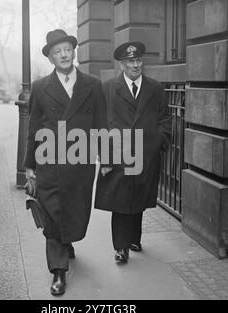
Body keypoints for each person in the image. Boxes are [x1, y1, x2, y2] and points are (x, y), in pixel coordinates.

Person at [24, 29, 107, 296]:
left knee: (75, 210)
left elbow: (101, 124)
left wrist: (105, 157)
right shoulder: (40, 87)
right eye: (57, 52)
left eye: (67, 50)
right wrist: (29, 168)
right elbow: (34, 129)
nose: (63, 55)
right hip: (50, 162)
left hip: (81, 163)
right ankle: (58, 272)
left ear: (74, 52)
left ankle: (67, 239)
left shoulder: (93, 85)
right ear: (50, 58)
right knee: (52, 215)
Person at [95, 41, 172, 264]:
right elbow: (99, 123)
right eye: (130, 62)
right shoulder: (107, 88)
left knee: (138, 198)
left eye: (138, 60)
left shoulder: (155, 88)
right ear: (121, 65)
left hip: (146, 154)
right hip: (118, 154)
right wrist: (105, 155)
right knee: (120, 202)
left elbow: (165, 118)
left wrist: (158, 142)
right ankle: (121, 247)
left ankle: (134, 239)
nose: (135, 65)